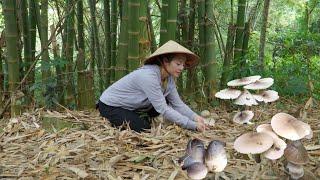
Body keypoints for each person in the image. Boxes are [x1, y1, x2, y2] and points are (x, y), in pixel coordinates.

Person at [97, 40, 207, 132]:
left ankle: (137, 116)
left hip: (134, 105)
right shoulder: (148, 76)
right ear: (165, 61)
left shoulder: (169, 79)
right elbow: (163, 109)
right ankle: (118, 119)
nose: (182, 68)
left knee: (166, 102)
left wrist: (195, 117)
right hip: (110, 105)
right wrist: (192, 125)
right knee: (144, 129)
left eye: (183, 65)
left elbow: (178, 104)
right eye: (178, 64)